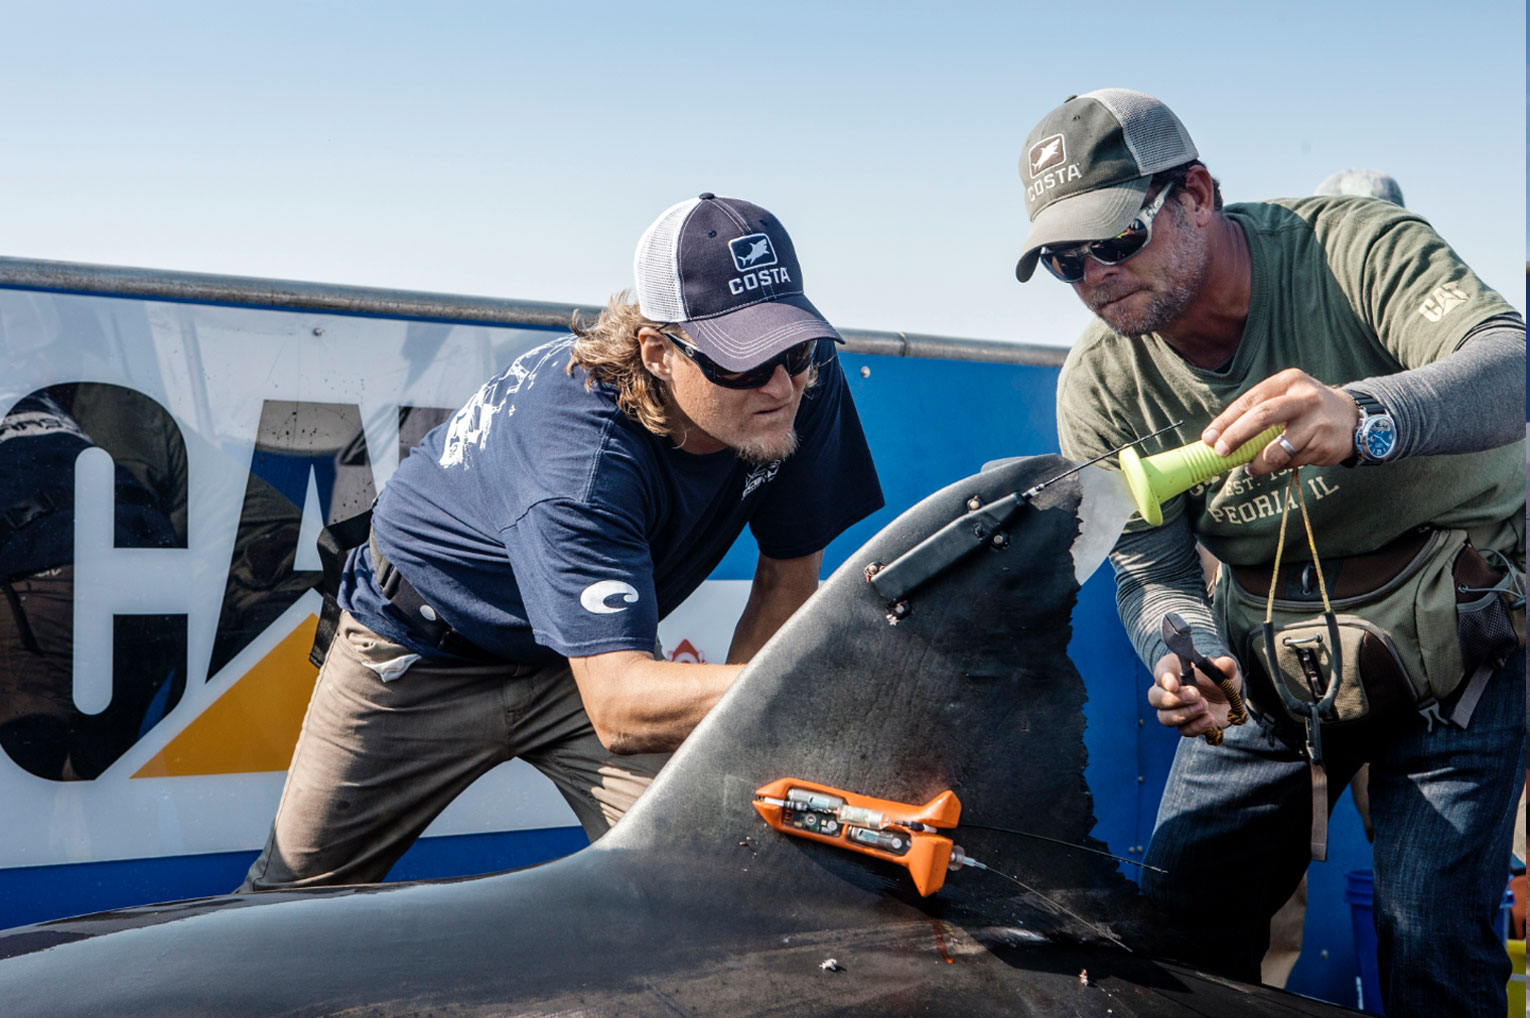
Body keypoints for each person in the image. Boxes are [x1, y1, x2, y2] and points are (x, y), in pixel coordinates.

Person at [1014, 89, 1524, 1016]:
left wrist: (1368, 417)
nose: (1094, 276)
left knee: (1433, 947)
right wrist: (1185, 653)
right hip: (1267, 664)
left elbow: (1511, 368)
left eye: (1116, 238)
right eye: (1064, 259)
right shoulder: (1098, 385)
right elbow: (1152, 572)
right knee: (1177, 933)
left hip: (1461, 643)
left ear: (1197, 193)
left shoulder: (1353, 248)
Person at [240, 193, 883, 890]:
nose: (781, 385)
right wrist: (815, 683)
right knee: (286, 907)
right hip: (420, 652)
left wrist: (752, 753)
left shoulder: (804, 381)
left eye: (793, 348)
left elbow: (786, 578)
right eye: (744, 361)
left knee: (720, 875)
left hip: (591, 656)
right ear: (659, 354)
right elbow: (621, 707)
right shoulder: (581, 460)